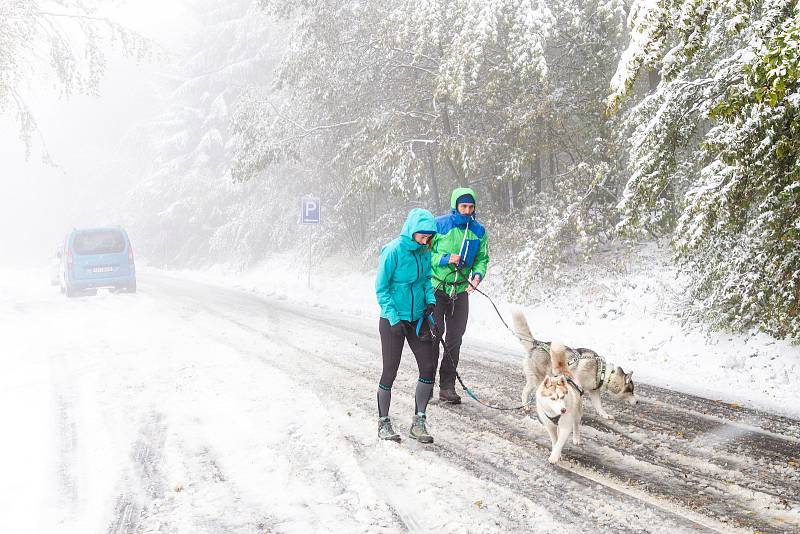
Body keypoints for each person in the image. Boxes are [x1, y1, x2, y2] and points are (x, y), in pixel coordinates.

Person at [374, 208, 438, 443]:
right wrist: (393, 318)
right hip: (393, 321)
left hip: (418, 319)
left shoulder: (424, 252)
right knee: (390, 370)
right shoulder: (393, 251)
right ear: (412, 230)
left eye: (428, 237)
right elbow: (381, 289)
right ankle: (383, 423)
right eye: (422, 236)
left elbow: (426, 281)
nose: (426, 240)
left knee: (428, 367)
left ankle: (419, 421)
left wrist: (430, 302)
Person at [430, 187, 489, 404]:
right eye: (463, 206)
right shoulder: (438, 225)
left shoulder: (479, 231)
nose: (467, 210)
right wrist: (446, 258)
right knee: (434, 336)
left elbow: (483, 258)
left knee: (455, 339)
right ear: (455, 205)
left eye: (470, 207)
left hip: (460, 291)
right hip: (437, 289)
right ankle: (426, 385)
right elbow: (426, 253)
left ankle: (447, 387)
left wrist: (477, 276)